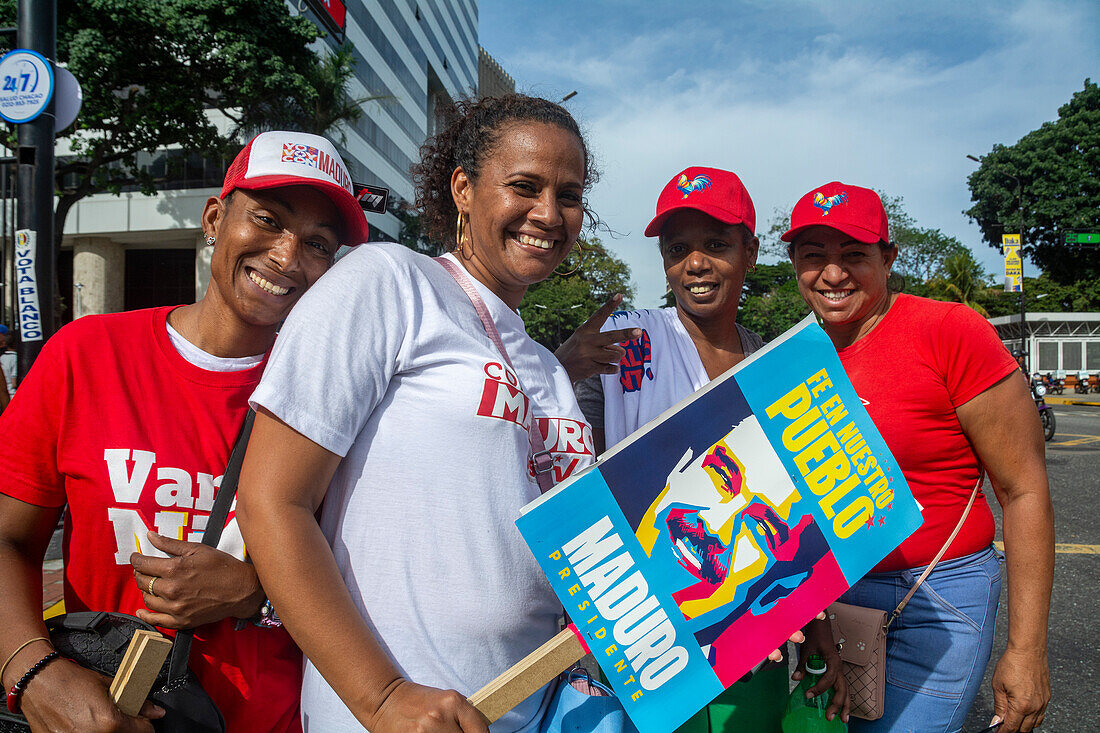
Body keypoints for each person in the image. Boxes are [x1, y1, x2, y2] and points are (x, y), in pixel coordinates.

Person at [234, 94, 602, 732]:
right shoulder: (388, 282)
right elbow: (272, 502)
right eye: (525, 186)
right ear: (464, 187)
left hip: (531, 714)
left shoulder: (549, 371)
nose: (548, 213)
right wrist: (381, 698)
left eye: (568, 196)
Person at [0, 130, 368, 733]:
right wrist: (33, 673)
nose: (286, 256)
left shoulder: (340, 398)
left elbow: (369, 579)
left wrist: (260, 594)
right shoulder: (87, 357)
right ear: (215, 218)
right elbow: (8, 540)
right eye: (268, 220)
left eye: (318, 244)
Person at [565, 168, 846, 731]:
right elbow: (570, 482)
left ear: (750, 250)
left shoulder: (775, 368)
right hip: (644, 646)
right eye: (678, 249)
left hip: (754, 642)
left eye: (716, 245)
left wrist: (817, 628)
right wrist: (560, 369)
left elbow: (810, 508)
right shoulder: (624, 347)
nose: (695, 263)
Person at [783, 181, 1053, 733]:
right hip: (832, 601)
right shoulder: (793, 357)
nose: (833, 274)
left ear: (888, 257)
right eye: (814, 256)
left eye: (854, 255)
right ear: (795, 265)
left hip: (938, 594)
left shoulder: (949, 331)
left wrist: (1026, 650)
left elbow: (1023, 490)